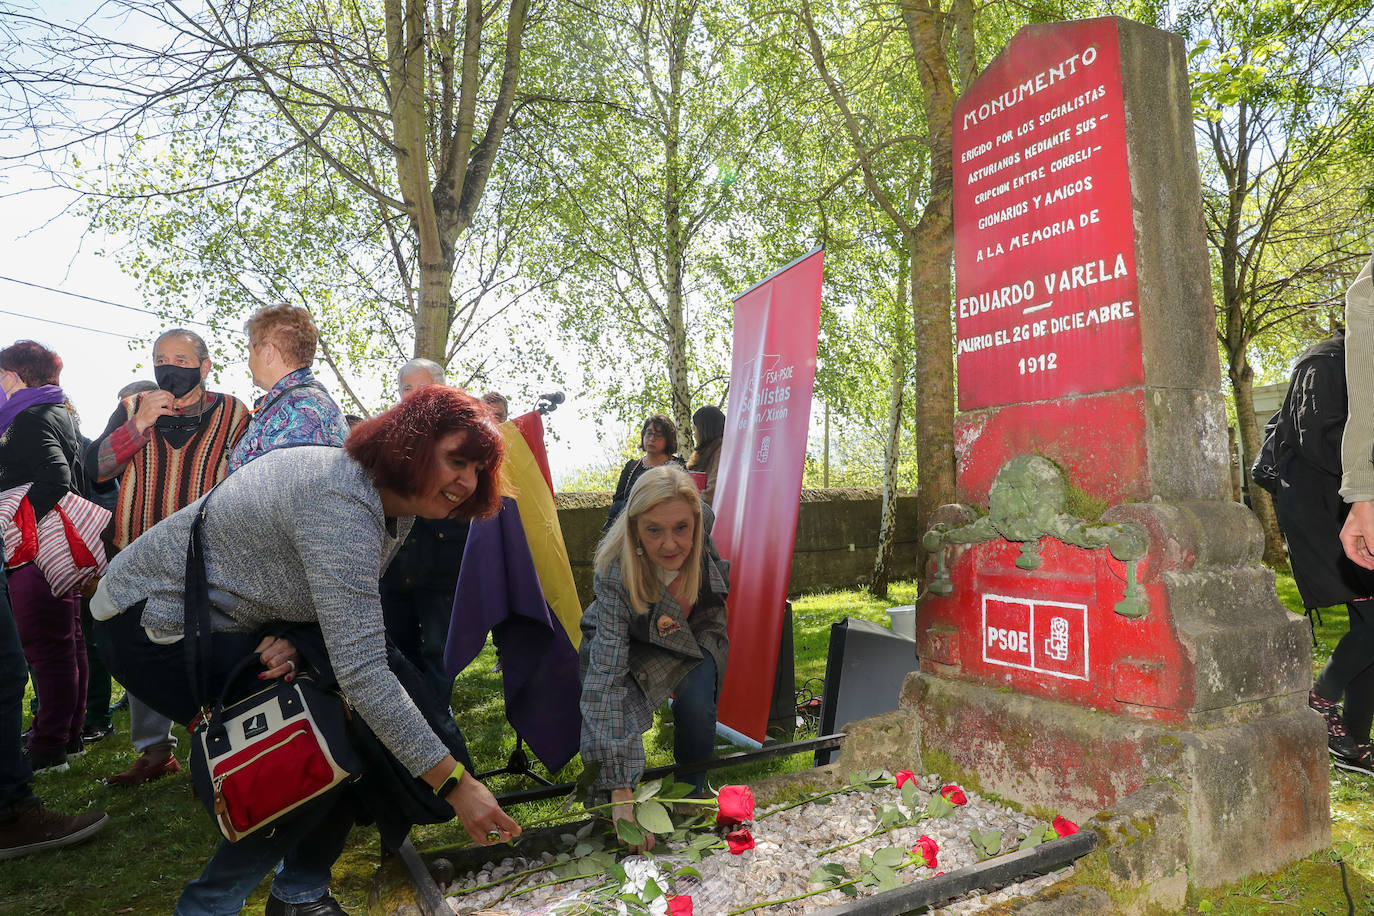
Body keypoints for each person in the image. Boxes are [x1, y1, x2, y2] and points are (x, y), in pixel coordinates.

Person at [91, 386, 520, 916]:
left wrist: (298, 641)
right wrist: (455, 783)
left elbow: (320, 607)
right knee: (308, 748)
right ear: (410, 445)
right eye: (458, 461)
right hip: (150, 624)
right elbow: (362, 673)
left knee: (342, 739)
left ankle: (299, 894)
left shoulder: (390, 507)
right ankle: (209, 906)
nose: (468, 483)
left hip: (226, 624)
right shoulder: (341, 499)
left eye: (478, 470)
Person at [86, 329, 251, 786]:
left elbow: (248, 476)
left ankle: (223, 740)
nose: (168, 365)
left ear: (204, 366)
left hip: (205, 553)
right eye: (160, 358)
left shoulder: (234, 411)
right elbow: (94, 469)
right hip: (133, 548)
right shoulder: (132, 409)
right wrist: (137, 426)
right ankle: (156, 751)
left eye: (181, 357)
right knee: (134, 645)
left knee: (206, 642)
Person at [579, 465, 729, 852]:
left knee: (697, 706)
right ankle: (615, 804)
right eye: (653, 530)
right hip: (631, 643)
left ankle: (692, 796)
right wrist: (621, 791)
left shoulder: (703, 530)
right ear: (633, 529)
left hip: (694, 633)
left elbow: (711, 600)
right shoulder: (614, 574)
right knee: (618, 710)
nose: (669, 545)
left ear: (696, 522)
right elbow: (606, 678)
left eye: (681, 528)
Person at [1263, 331, 1374, 776]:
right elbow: (1320, 439)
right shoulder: (1326, 360)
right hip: (1322, 508)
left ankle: (1355, 740)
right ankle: (1321, 698)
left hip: (1355, 504)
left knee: (1370, 624)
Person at [0, 341, 91, 774]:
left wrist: (16, 524)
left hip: (36, 549)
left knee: (47, 649)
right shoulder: (55, 411)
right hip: (55, 547)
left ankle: (49, 745)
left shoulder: (29, 417)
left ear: (13, 377)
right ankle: (67, 736)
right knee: (68, 645)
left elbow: (55, 478)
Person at [381, 361, 472, 718]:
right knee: (397, 649)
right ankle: (411, 721)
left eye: (421, 390)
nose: (414, 398)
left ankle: (436, 723)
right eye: (407, 390)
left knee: (438, 650)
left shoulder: (465, 435)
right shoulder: (386, 433)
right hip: (394, 560)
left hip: (442, 562)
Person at [0, 562, 109, 859]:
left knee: (50, 650)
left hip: (30, 549)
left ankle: (51, 747)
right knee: (53, 649)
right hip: (34, 549)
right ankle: (12, 808)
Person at [227, 304, 350, 473]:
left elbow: (285, 494)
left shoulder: (303, 410)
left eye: (250, 351)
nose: (249, 362)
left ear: (268, 353)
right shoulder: (296, 402)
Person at [604, 414, 686, 530]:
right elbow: (618, 501)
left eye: (658, 435)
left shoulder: (678, 467)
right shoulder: (631, 467)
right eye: (649, 433)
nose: (651, 439)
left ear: (668, 439)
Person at [687, 405, 725, 504]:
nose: (694, 434)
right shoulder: (704, 451)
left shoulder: (721, 450)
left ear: (704, 429)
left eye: (695, 429)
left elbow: (713, 491)